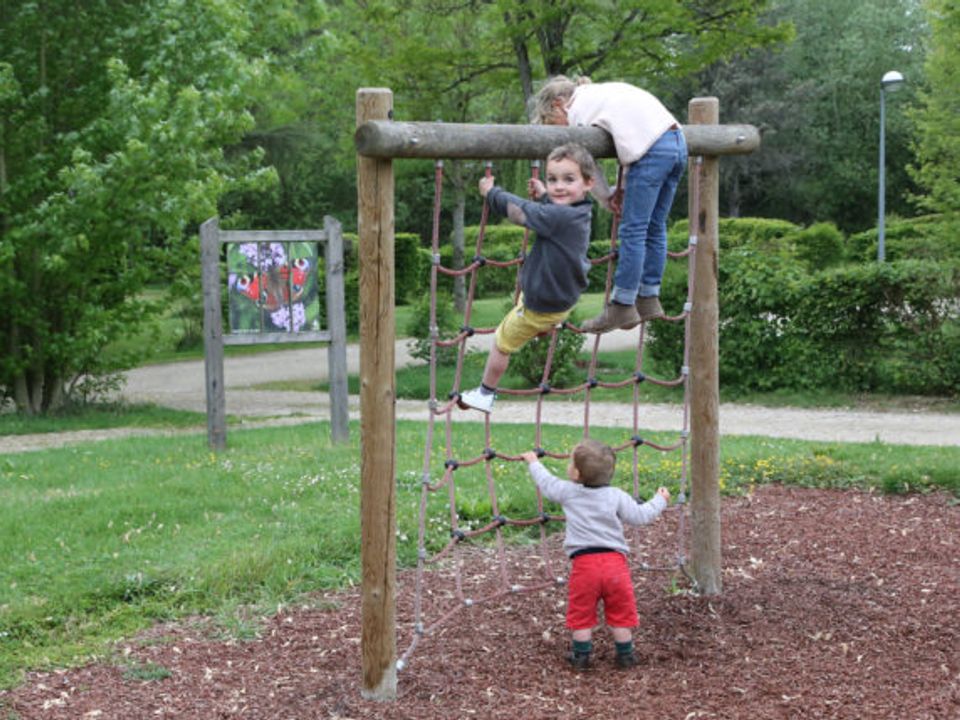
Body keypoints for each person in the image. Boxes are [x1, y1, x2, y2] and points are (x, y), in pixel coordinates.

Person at [530, 75, 688, 333]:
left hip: (652, 151)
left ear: (559, 104)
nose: (560, 130)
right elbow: (631, 140)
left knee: (633, 230)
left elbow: (586, 164)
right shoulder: (600, 94)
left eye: (552, 121)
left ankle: (622, 306)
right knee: (655, 227)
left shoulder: (579, 110)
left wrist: (605, 197)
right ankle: (649, 299)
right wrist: (619, 190)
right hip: (677, 144)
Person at [458, 143, 597, 414]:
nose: (559, 186)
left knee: (501, 342)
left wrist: (491, 193)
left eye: (569, 180)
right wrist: (545, 196)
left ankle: (485, 393)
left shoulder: (559, 216)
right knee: (528, 313)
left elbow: (520, 211)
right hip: (560, 298)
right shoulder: (578, 212)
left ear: (589, 183)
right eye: (552, 179)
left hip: (543, 303)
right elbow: (550, 213)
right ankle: (542, 327)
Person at [521, 439, 671, 670]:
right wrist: (660, 500)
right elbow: (640, 516)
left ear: (576, 473)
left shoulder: (569, 492)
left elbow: (547, 483)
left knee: (582, 612)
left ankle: (581, 657)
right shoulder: (616, 495)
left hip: (585, 565)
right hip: (615, 566)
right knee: (620, 612)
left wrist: (533, 462)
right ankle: (626, 655)